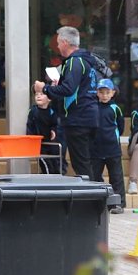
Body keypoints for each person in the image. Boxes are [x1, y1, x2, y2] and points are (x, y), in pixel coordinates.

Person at [33, 26, 98, 179]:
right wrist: (57, 87)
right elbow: (75, 87)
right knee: (87, 161)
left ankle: (92, 199)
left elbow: (68, 90)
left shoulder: (74, 62)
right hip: (89, 116)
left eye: (58, 42)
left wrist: (45, 88)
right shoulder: (86, 60)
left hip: (79, 119)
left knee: (81, 163)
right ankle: (96, 197)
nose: (57, 46)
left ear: (65, 42)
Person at [92, 79, 126, 213]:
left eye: (107, 92)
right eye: (101, 92)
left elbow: (121, 126)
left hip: (113, 149)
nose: (104, 95)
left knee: (116, 177)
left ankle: (118, 204)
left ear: (112, 93)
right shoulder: (93, 107)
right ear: (97, 93)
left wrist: (113, 138)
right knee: (95, 177)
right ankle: (98, 202)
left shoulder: (115, 108)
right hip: (96, 149)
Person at [25, 90, 64, 175]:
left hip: (50, 143)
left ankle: (56, 181)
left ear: (49, 99)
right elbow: (30, 126)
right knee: (47, 166)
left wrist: (53, 130)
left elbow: (54, 124)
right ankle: (48, 181)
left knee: (55, 166)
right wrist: (32, 139)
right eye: (36, 95)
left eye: (42, 94)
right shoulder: (33, 111)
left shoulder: (51, 111)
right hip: (39, 144)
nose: (38, 96)